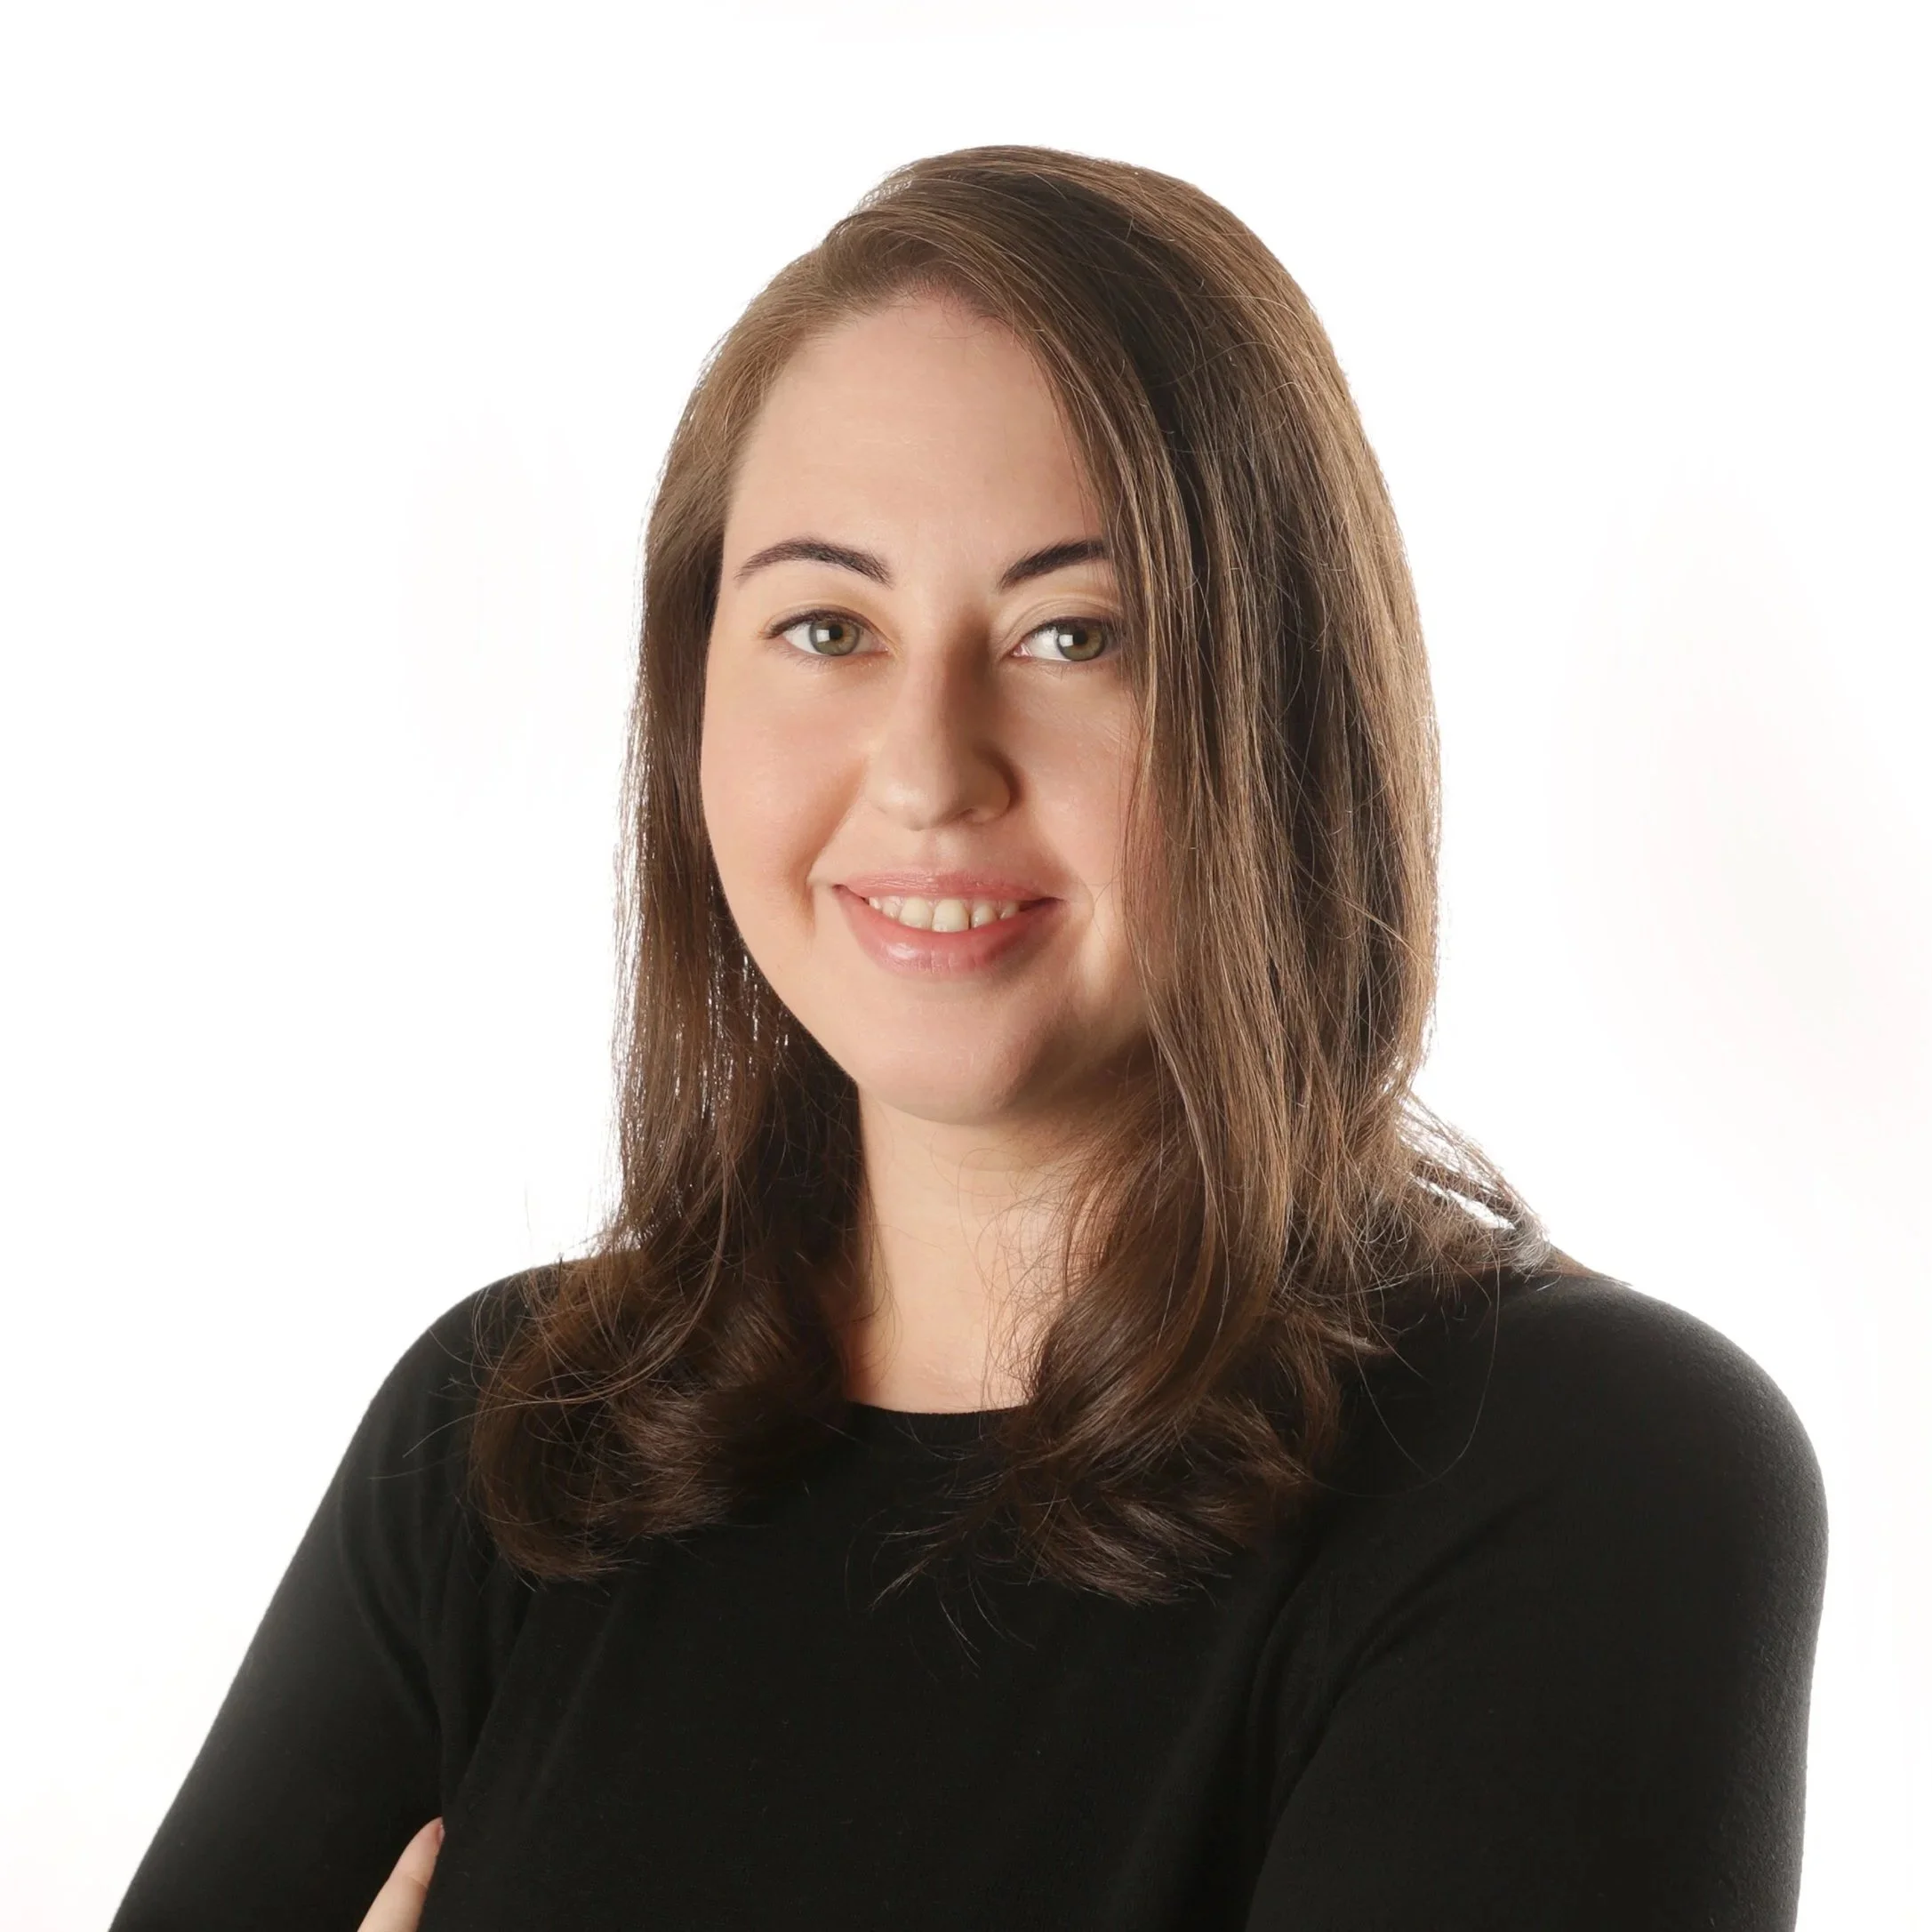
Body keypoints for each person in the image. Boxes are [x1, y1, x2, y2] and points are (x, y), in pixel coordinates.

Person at [109, 146, 1829, 1932]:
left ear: (1284, 708)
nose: (930, 767)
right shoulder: (507, 1441)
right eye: (827, 627)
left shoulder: (1582, 1472)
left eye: (1072, 633)